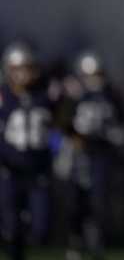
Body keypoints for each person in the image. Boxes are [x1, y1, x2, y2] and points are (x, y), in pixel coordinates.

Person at [58, 51, 124, 260]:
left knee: (100, 200)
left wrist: (116, 138)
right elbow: (61, 122)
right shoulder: (74, 94)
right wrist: (73, 138)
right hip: (77, 152)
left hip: (102, 152)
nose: (95, 78)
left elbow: (122, 124)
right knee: (75, 200)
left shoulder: (112, 94)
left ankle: (95, 241)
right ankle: (75, 241)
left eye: (98, 73)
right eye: (91, 74)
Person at [0, 42, 58, 260]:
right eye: (19, 69)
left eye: (28, 68)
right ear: (9, 69)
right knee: (11, 226)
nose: (24, 74)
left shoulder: (45, 95)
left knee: (41, 227)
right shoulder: (3, 96)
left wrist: (56, 150)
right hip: (9, 170)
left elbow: (58, 127)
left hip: (37, 169)